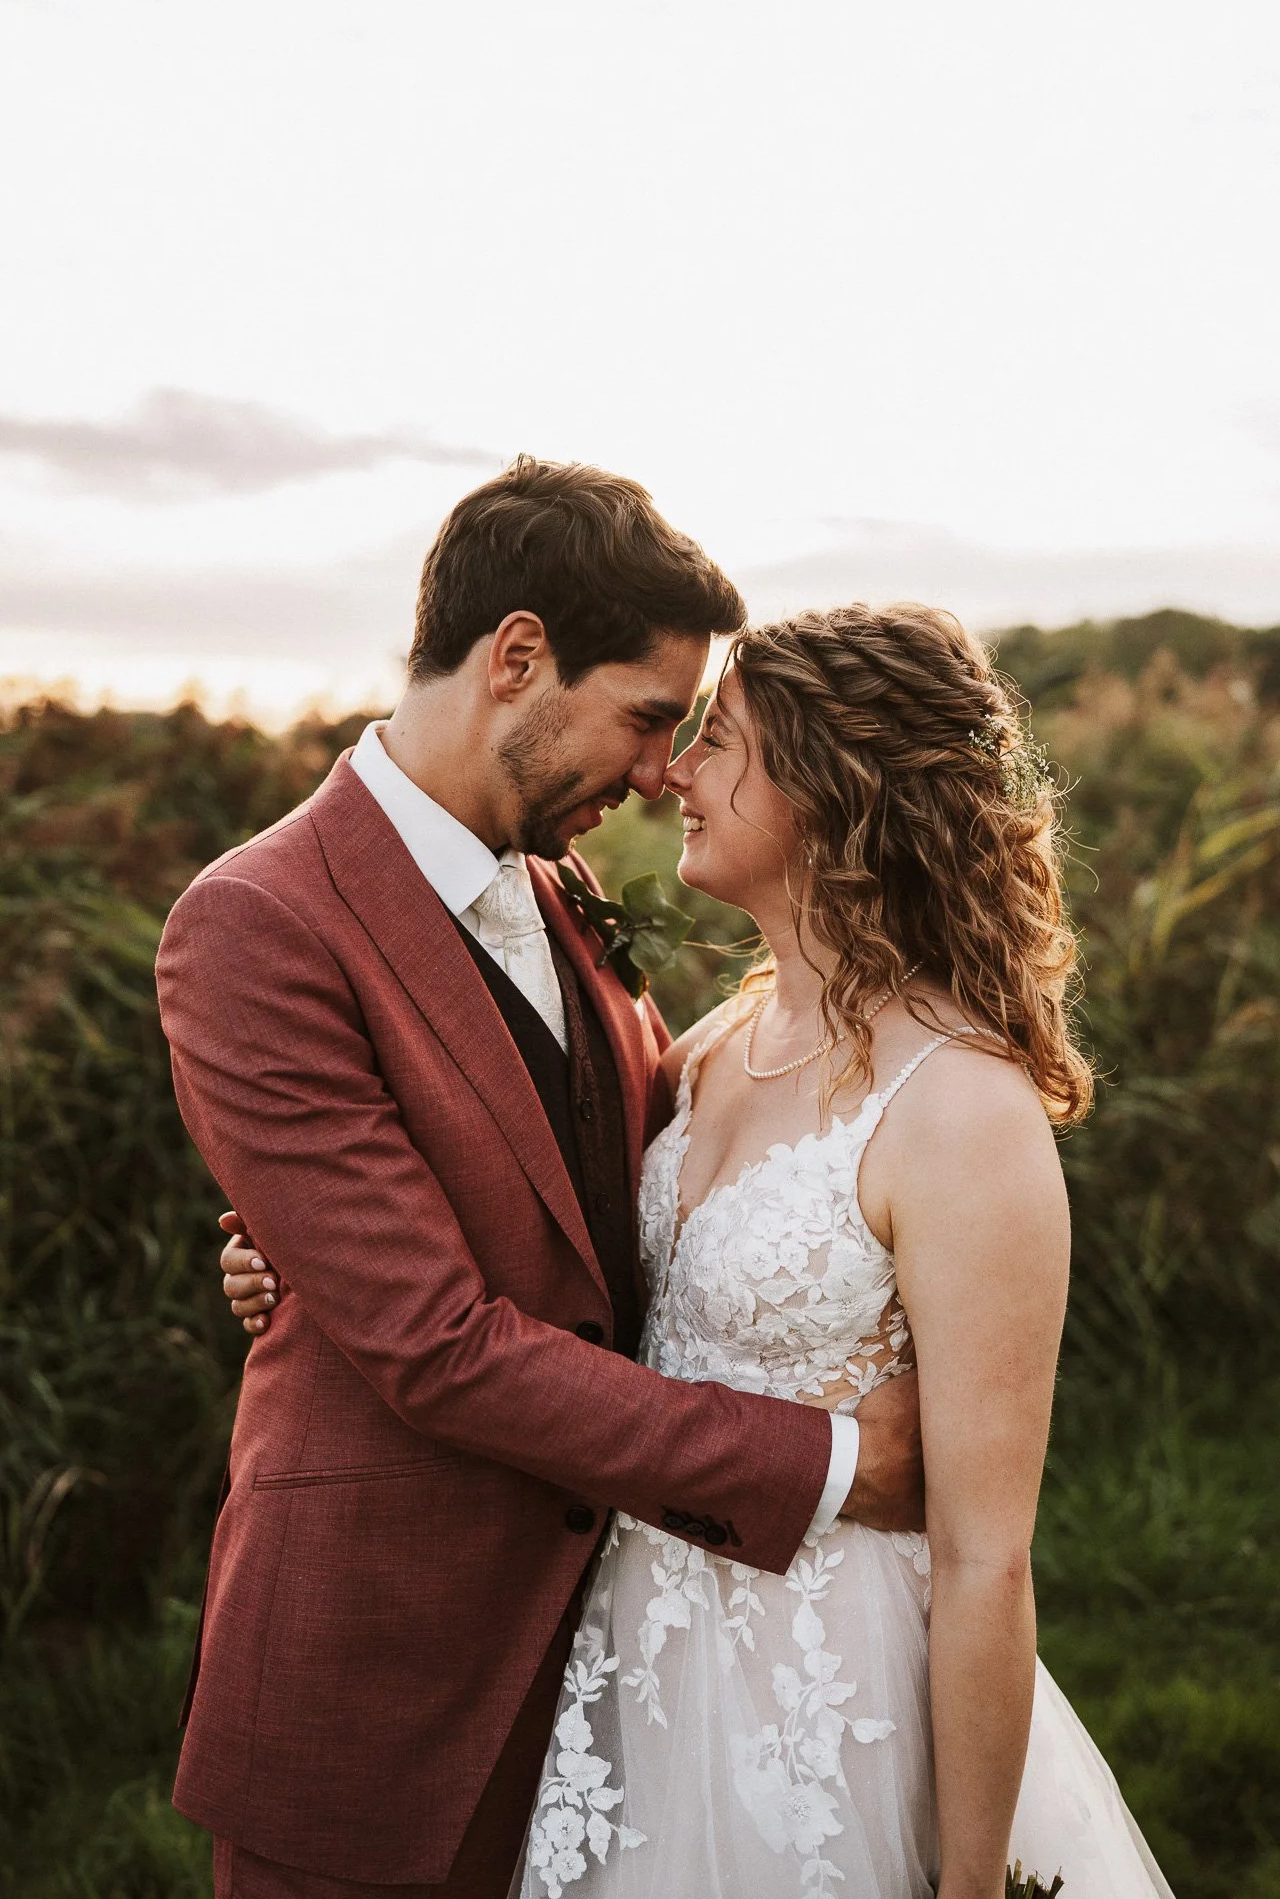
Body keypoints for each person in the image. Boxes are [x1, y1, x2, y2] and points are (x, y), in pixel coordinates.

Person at [227, 601, 1176, 1898]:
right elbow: (531, 1219)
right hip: (633, 1664)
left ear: (832, 792)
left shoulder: (961, 1112)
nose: (671, 772)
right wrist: (301, 1252)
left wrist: (966, 1885)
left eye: (715, 740)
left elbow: (984, 1557)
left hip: (829, 1684)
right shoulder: (711, 1048)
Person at [156, 459, 925, 1899]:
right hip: (379, 1672)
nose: (656, 773)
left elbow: (602, 1188)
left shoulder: (557, 884)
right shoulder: (256, 924)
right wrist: (828, 1465)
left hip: (621, 1668)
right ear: (517, 658)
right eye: (645, 716)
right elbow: (435, 1342)